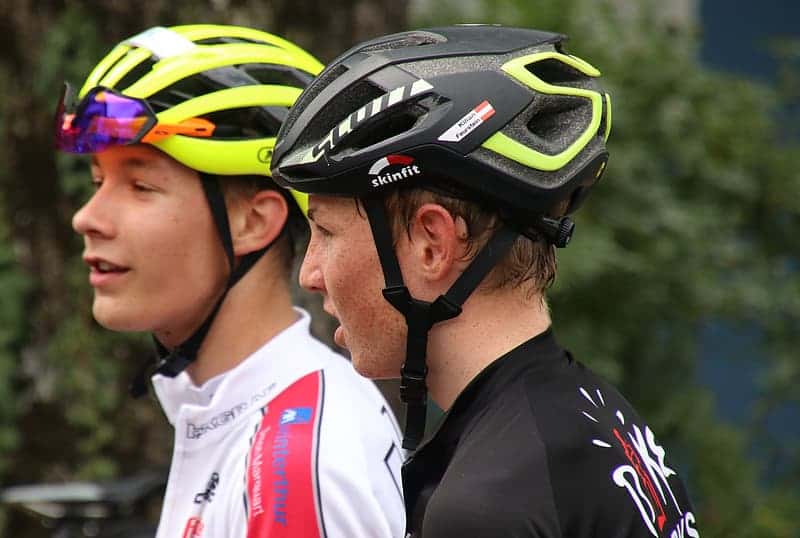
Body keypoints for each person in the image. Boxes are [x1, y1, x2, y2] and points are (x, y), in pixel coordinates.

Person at [271, 24, 701, 537]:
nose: (310, 273)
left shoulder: (489, 507)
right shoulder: (589, 414)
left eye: (325, 231)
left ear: (433, 244)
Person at [57, 24, 405, 538]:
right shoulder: (240, 412)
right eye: (98, 182)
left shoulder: (299, 461)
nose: (87, 218)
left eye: (139, 185)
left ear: (254, 222)